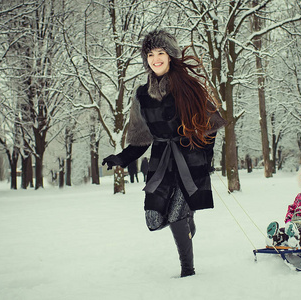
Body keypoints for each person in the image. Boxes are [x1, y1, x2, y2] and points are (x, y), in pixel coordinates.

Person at [102, 29, 226, 277]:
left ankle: (187, 270)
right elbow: (140, 138)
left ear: (170, 56)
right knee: (154, 219)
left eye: (161, 52)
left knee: (177, 214)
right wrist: (122, 158)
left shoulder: (189, 88)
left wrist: (206, 157)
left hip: (189, 159)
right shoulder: (141, 96)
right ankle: (188, 221)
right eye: (150, 54)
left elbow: (211, 125)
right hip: (160, 163)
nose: (155, 58)